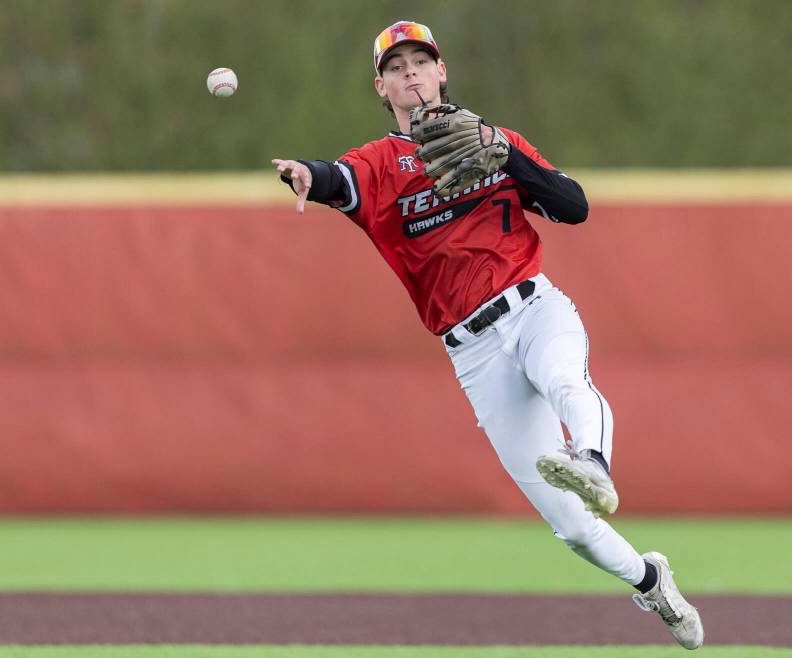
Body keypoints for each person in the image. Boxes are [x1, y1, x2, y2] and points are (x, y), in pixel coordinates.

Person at [271, 20, 704, 650]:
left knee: (565, 379)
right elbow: (337, 178)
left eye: (421, 61)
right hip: (472, 353)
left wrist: (506, 150)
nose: (411, 73)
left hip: (533, 306)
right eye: (397, 67)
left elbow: (574, 206)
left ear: (442, 71)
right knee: (575, 531)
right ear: (381, 86)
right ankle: (650, 579)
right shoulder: (380, 164)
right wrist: (306, 175)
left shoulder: (493, 141)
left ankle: (593, 461)